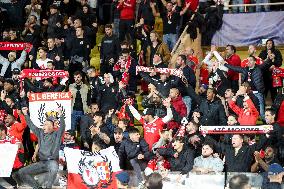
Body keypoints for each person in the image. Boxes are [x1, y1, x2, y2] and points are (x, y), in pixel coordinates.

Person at [13, 106, 65, 189]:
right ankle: (37, 187)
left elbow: (62, 127)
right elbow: (31, 125)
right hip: (41, 163)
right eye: (44, 124)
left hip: (52, 162)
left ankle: (48, 187)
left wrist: (61, 114)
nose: (44, 126)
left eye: (46, 124)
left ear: (52, 127)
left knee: (54, 167)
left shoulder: (56, 135)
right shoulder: (40, 132)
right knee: (22, 172)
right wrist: (26, 114)